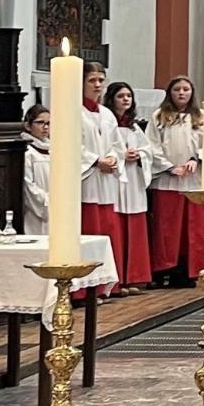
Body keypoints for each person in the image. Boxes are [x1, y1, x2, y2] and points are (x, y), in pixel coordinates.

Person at [147, 76, 204, 286]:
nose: (181, 93)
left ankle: (187, 271)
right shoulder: (159, 116)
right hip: (167, 181)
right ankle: (164, 269)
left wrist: (195, 158)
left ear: (192, 93)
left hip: (193, 181)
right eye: (177, 89)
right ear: (170, 93)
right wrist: (169, 167)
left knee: (192, 228)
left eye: (185, 89)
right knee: (167, 228)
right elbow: (152, 145)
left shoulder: (201, 117)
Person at [104, 82, 157, 290]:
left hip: (133, 179)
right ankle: (118, 280)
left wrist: (140, 155)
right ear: (111, 99)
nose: (126, 99)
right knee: (117, 226)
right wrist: (121, 156)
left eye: (128, 96)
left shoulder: (134, 126)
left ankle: (134, 277)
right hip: (116, 179)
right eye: (120, 96)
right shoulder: (108, 123)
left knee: (134, 227)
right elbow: (105, 150)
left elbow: (148, 150)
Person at [77, 63, 120, 266]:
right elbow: (69, 144)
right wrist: (95, 161)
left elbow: (116, 144)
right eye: (91, 80)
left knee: (107, 228)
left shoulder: (107, 114)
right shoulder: (73, 111)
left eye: (101, 80)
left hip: (106, 181)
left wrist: (113, 158)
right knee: (89, 229)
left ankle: (106, 279)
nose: (97, 85)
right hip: (86, 180)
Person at [21, 105, 51, 232]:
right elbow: (28, 185)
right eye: (40, 123)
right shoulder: (27, 152)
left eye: (48, 123)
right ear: (28, 126)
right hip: (36, 211)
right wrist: (46, 201)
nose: (45, 127)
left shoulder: (54, 149)